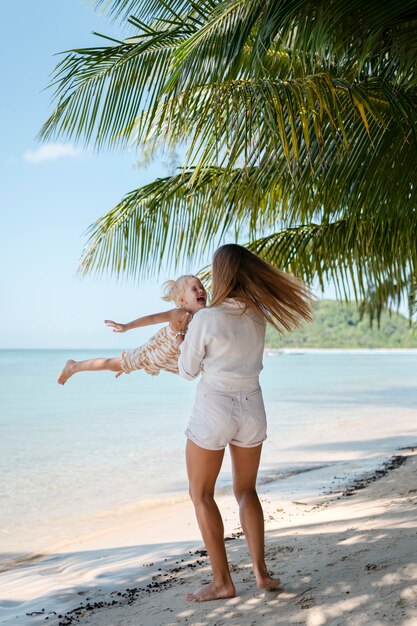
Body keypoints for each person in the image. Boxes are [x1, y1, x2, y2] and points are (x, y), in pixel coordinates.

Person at [173, 244, 314, 602]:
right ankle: (261, 573)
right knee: (246, 491)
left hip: (214, 407)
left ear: (221, 275)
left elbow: (187, 371)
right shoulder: (258, 315)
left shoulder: (206, 318)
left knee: (201, 493)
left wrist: (181, 335)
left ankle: (222, 582)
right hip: (252, 406)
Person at [57, 275, 206, 385]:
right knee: (114, 364)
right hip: (155, 352)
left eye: (202, 288)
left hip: (170, 360)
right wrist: (127, 326)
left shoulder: (204, 316)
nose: (201, 291)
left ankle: (128, 363)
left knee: (123, 363)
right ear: (182, 301)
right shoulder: (181, 313)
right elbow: (153, 319)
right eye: (194, 289)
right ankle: (74, 366)